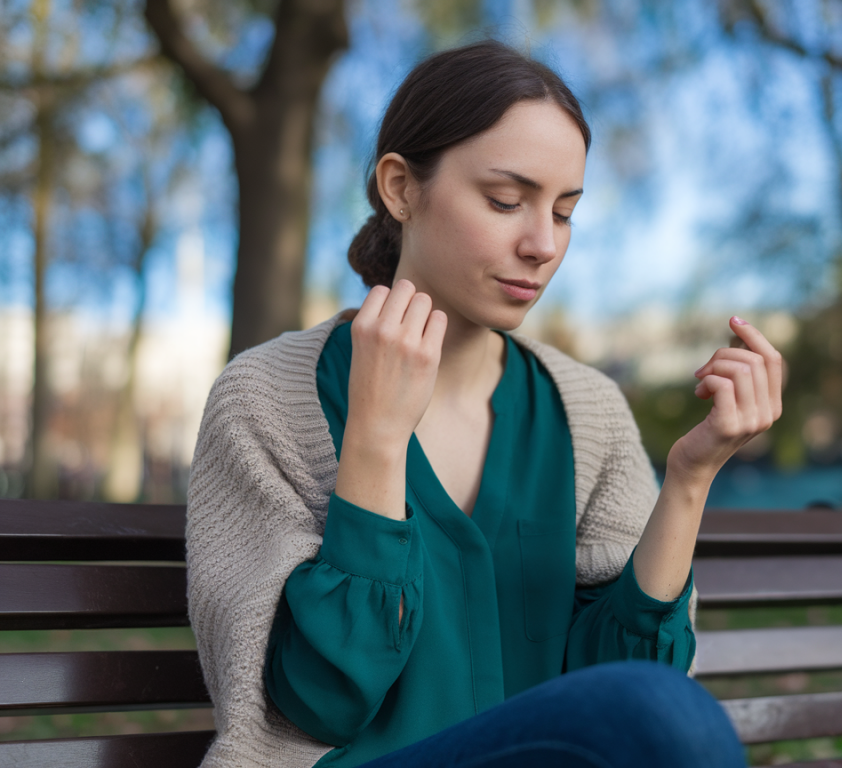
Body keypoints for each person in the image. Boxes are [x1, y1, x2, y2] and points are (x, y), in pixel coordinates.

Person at [187, 39, 782, 768]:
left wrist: (690, 476)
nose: (542, 244)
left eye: (564, 212)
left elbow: (630, 684)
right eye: (506, 201)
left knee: (663, 714)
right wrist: (375, 436)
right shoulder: (266, 400)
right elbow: (319, 697)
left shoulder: (587, 411)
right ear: (401, 188)